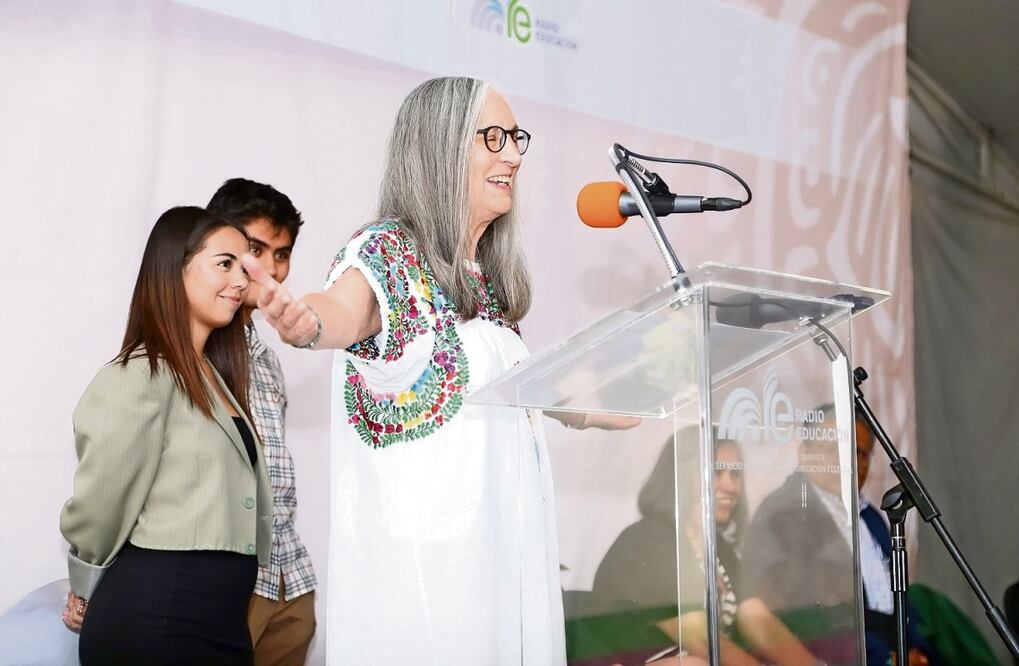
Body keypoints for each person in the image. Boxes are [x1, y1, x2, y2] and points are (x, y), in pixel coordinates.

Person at [241, 76, 631, 665]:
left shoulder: (487, 281)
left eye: (516, 139)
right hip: (428, 582)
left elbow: (535, 390)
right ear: (439, 146)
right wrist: (305, 324)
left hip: (500, 560)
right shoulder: (386, 252)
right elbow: (343, 312)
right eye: (493, 138)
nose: (514, 156)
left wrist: (640, 396)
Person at [59, 206, 273, 664]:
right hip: (159, 619)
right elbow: (102, 499)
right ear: (174, 268)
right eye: (225, 263)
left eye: (245, 266)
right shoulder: (140, 375)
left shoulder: (215, 377)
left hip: (220, 620)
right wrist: (83, 584)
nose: (241, 281)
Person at [208, 178, 318, 666]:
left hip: (289, 580)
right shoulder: (185, 347)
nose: (271, 269)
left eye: (282, 253)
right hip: (224, 588)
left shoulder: (269, 358)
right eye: (256, 248)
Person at [592, 430, 818, 666]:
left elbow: (758, 621)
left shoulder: (720, 547)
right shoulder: (647, 540)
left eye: (735, 473)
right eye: (716, 472)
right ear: (680, 476)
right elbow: (702, 640)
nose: (730, 486)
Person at [855, 416, 939, 666]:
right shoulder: (808, 518)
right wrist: (889, 659)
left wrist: (919, 651)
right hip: (864, 652)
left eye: (862, 454)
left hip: (896, 643)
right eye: (847, 451)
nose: (855, 463)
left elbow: (899, 598)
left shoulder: (872, 517)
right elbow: (830, 619)